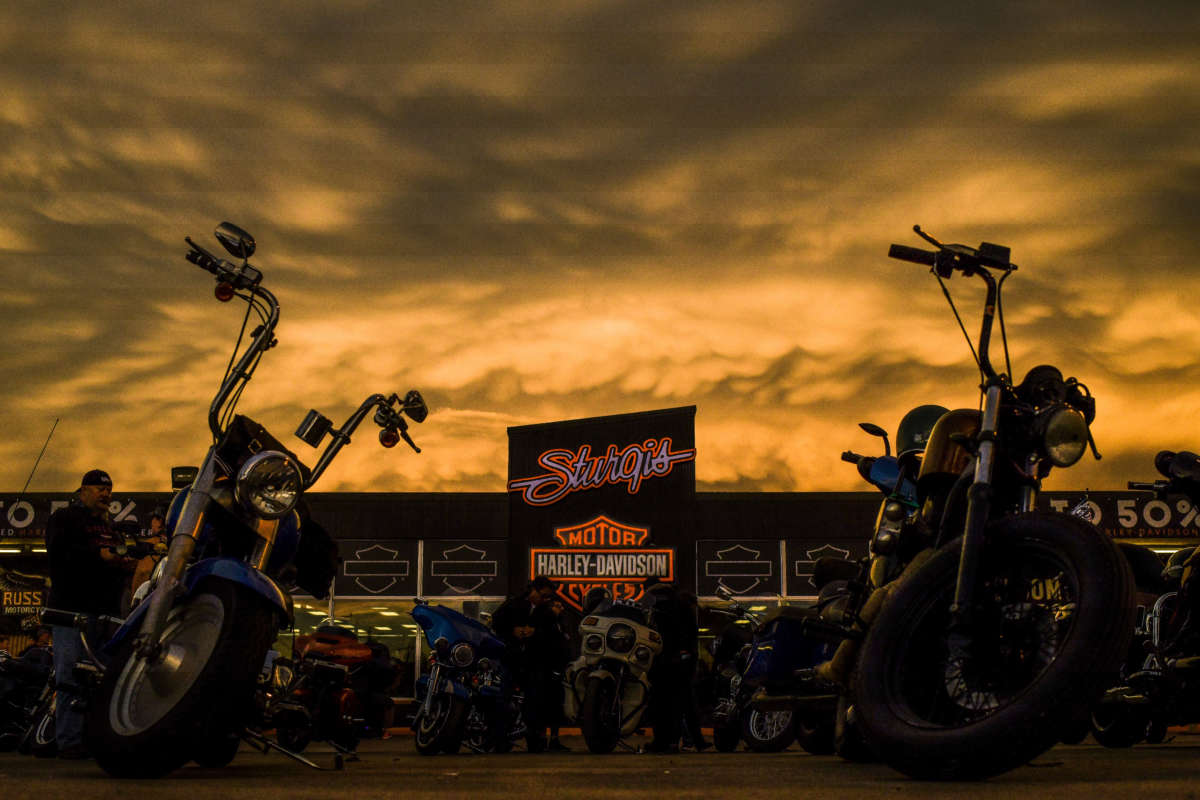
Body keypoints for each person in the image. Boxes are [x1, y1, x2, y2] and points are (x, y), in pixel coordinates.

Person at [45, 469, 137, 759]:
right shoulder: (65, 519)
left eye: (109, 490)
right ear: (83, 490)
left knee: (101, 678)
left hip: (106, 615)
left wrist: (125, 562)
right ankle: (69, 741)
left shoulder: (111, 527)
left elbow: (120, 559)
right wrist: (100, 556)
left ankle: (93, 736)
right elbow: (59, 553)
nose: (105, 494)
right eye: (99, 489)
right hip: (72, 611)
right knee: (71, 674)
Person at [491, 575, 557, 749]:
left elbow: (552, 635)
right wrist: (513, 630)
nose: (545, 599)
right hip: (511, 659)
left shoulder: (547, 612)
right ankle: (500, 740)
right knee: (503, 699)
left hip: (534, 662)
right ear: (533, 590)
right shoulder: (512, 604)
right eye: (542, 595)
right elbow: (496, 621)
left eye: (547, 597)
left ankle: (534, 741)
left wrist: (535, 633)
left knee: (535, 701)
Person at [642, 577, 699, 753]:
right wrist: (686, 652)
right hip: (680, 660)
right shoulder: (678, 601)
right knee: (679, 704)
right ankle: (677, 742)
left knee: (660, 704)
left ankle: (662, 742)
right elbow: (690, 631)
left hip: (663, 660)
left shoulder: (655, 603)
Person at [532, 597, 572, 752]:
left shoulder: (560, 624)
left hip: (557, 669)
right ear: (549, 608)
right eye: (557, 605)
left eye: (561, 605)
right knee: (544, 704)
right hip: (546, 670)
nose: (560, 608)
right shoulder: (546, 625)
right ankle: (542, 739)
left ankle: (554, 739)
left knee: (556, 706)